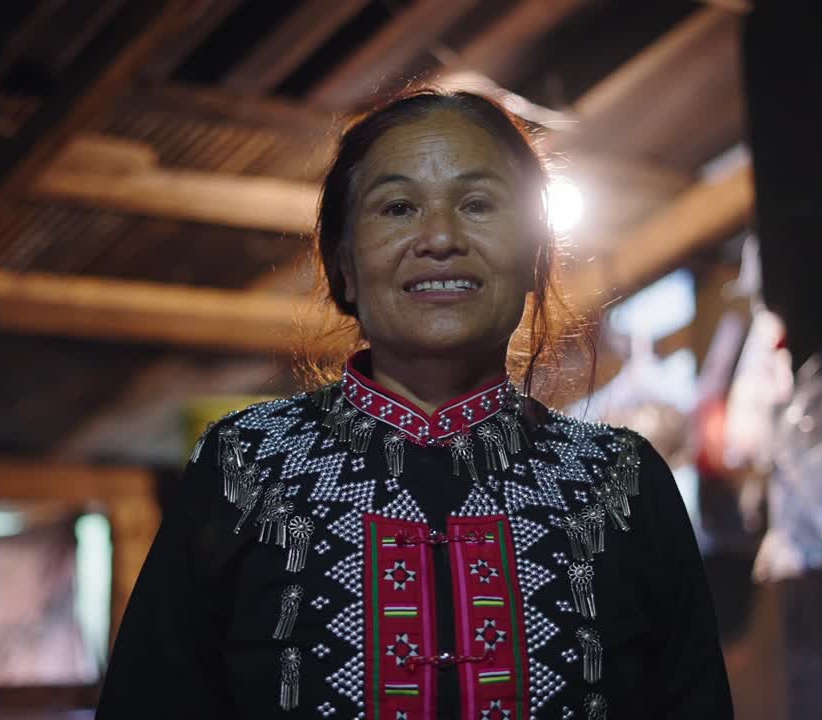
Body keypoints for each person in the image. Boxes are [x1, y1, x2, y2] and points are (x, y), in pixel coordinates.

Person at [96, 90, 733, 719]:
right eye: (398, 207)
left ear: (535, 258)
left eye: (478, 204)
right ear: (344, 266)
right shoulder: (246, 467)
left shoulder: (620, 482)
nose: (440, 237)